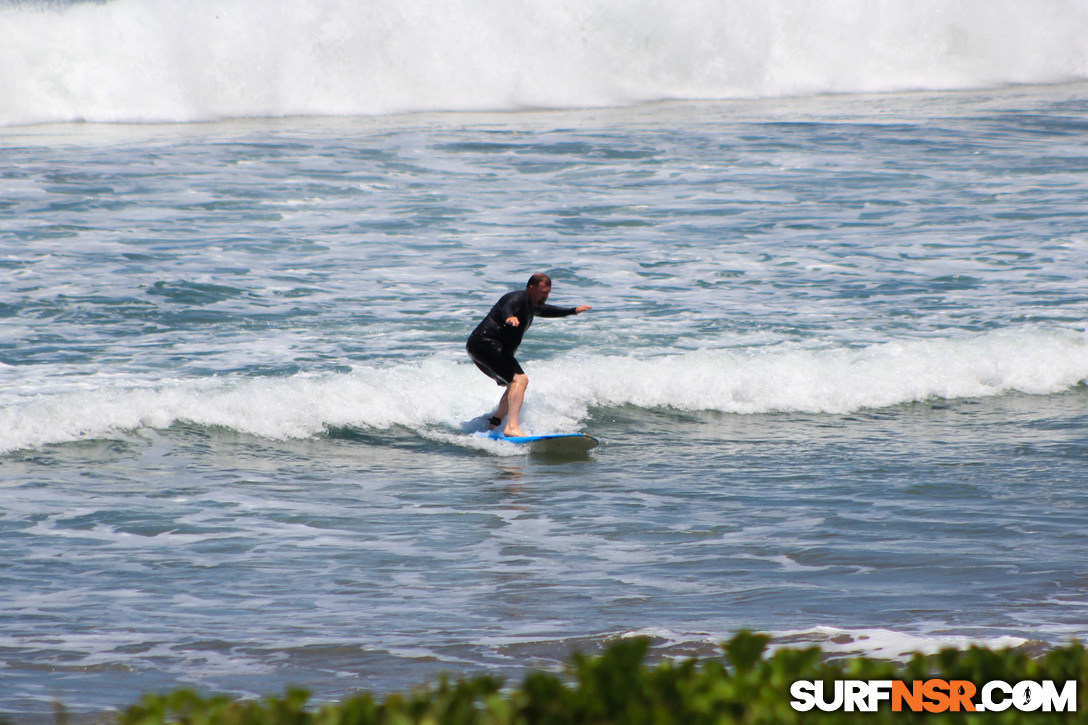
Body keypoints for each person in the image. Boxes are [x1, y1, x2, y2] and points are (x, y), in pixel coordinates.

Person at [467, 273, 592, 437]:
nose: (546, 296)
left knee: (514, 384)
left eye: (548, 292)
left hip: (481, 346)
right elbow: (507, 307)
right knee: (521, 379)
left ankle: (493, 425)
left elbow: (546, 310)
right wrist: (509, 317)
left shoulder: (531, 304)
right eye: (543, 292)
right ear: (531, 288)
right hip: (485, 344)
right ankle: (511, 427)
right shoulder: (517, 298)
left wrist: (572, 311)